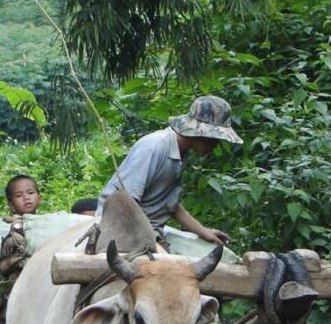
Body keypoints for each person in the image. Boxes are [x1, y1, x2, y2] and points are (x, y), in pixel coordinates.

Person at [96, 95, 242, 244]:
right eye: (215, 138)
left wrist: (204, 232)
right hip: (120, 229)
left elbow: (171, 204)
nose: (216, 144)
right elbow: (125, 203)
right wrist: (150, 241)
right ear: (202, 133)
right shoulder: (154, 147)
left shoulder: (180, 153)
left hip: (149, 232)